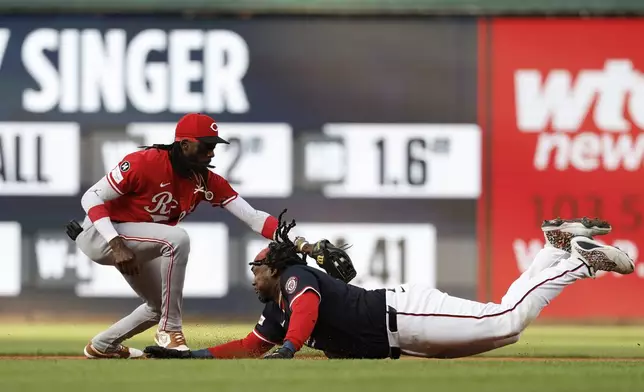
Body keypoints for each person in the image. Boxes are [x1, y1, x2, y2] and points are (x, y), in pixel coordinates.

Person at [143, 217, 634, 360]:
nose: (253, 275)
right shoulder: (277, 307)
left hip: (405, 315)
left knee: (505, 321)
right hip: (403, 338)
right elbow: (251, 347)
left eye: (257, 266)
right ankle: (554, 247)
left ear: (274, 267)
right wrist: (191, 359)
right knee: (504, 325)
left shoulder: (296, 279)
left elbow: (309, 309)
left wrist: (292, 347)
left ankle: (578, 263)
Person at [68, 113, 316, 359]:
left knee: (158, 306)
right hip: (104, 234)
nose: (212, 153)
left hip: (137, 241)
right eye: (206, 146)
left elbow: (254, 217)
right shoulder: (145, 162)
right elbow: (90, 196)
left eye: (214, 147)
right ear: (184, 144)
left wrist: (303, 244)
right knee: (177, 239)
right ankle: (170, 330)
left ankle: (103, 345)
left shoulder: (205, 180)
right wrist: (116, 242)